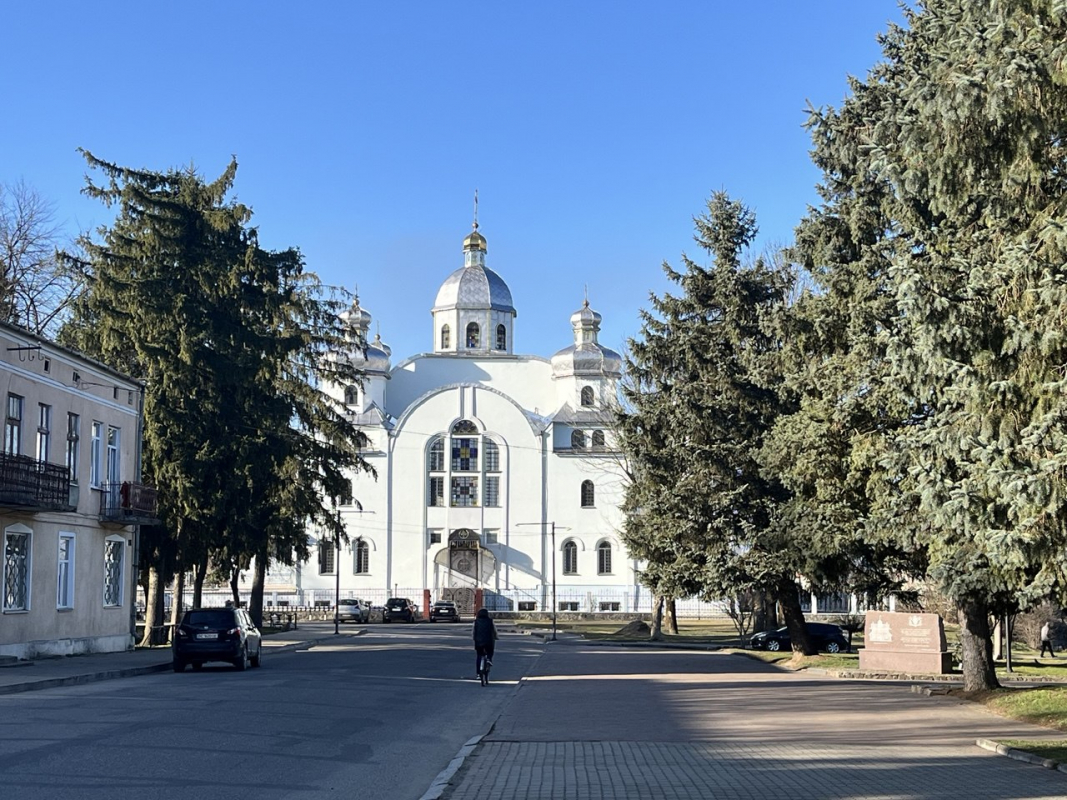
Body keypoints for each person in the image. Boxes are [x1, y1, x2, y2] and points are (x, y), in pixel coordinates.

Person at [473, 607, 498, 680]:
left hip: (478, 642)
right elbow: (494, 630)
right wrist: (496, 637)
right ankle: (489, 659)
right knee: (490, 651)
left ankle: (478, 674)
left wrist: (474, 639)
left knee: (479, 656)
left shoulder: (476, 622)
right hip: (488, 641)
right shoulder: (490, 621)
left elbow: (473, 632)